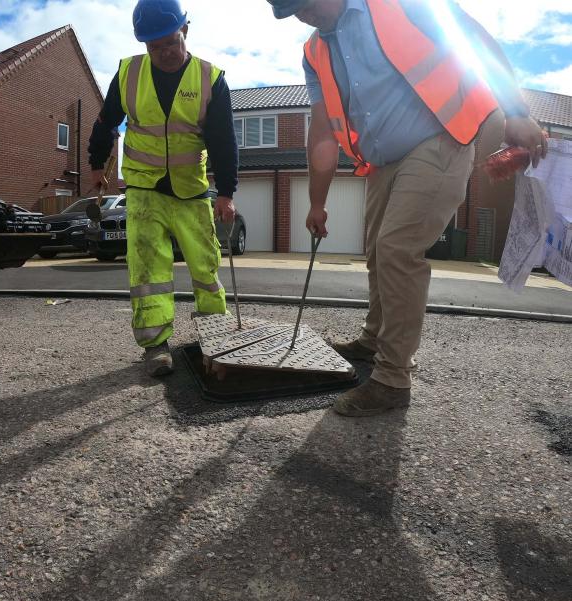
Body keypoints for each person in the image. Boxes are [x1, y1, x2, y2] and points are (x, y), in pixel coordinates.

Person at [266, 0, 547, 417]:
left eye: (304, 3)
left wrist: (517, 110)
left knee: (397, 249)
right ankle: (374, 338)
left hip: (440, 138)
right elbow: (322, 129)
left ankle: (392, 379)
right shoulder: (314, 53)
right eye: (292, 12)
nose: (303, 14)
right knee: (378, 254)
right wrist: (318, 202)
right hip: (382, 161)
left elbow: (473, 38)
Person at [88, 0, 238, 377]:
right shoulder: (128, 74)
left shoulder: (210, 78)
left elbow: (223, 140)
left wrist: (226, 192)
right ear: (144, 45)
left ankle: (216, 339)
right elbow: (106, 122)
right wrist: (95, 164)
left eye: (170, 42)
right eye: (154, 47)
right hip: (143, 191)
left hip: (190, 191)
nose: (164, 53)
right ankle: (156, 346)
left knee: (205, 268)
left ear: (185, 30)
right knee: (147, 269)